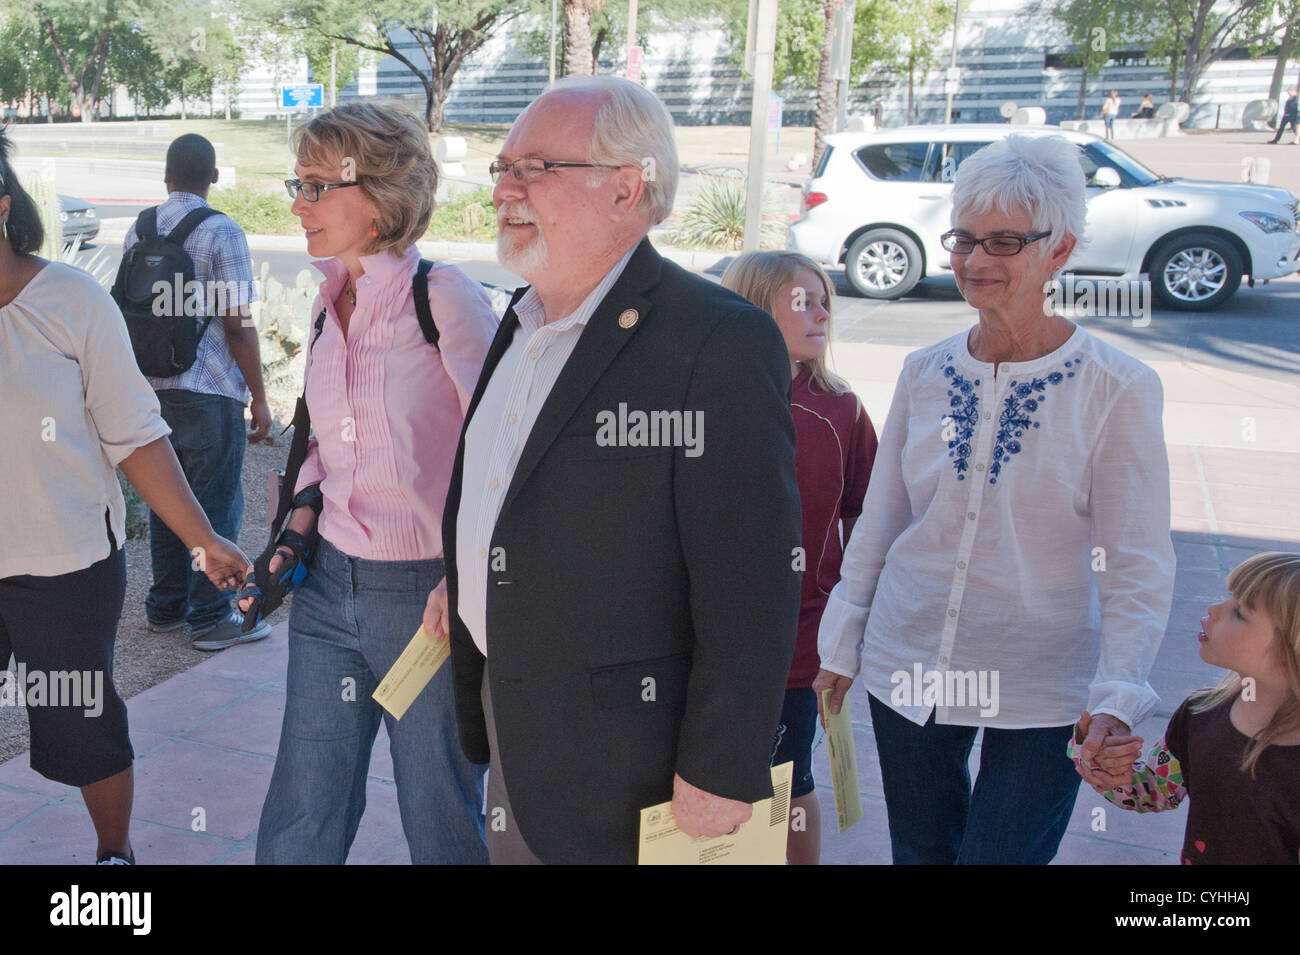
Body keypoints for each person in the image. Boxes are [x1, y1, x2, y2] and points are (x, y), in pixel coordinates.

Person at [434, 75, 802, 865]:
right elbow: (513, 490)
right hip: (519, 720)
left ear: (626, 187)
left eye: (535, 167)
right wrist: (465, 575)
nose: (504, 187)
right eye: (503, 166)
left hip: (634, 766)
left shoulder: (716, 342)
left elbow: (753, 580)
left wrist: (721, 767)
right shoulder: (524, 315)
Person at [814, 133, 1176, 865]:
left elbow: (1137, 563)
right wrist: (842, 641)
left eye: (1004, 241)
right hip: (906, 658)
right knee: (920, 852)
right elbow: (882, 518)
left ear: (1060, 249)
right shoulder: (924, 371)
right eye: (964, 239)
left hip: (1043, 682)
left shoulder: (1117, 388)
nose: (975, 261)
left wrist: (1118, 692)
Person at [241, 103, 497, 865]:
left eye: (317, 185)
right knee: (300, 814)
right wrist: (293, 533)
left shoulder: (443, 298)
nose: (297, 203)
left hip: (426, 601)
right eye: (299, 182)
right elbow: (325, 445)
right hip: (327, 594)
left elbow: (505, 451)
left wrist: (465, 573)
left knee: (439, 817)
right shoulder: (327, 303)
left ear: (381, 196)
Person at [0, 124, 251, 865]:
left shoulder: (71, 301)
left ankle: (115, 857)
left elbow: (136, 435)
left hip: (64, 566)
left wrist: (206, 538)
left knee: (80, 722)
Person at [721, 251, 877, 865]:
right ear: (755, 308)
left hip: (801, 635)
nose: (820, 315)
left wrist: (852, 619)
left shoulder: (841, 408)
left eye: (824, 302)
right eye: (801, 302)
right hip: (706, 635)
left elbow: (870, 517)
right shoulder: (702, 398)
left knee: (789, 776)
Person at [122, 134, 272, 651]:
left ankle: (166, 608)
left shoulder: (139, 229)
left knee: (170, 500)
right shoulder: (222, 231)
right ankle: (211, 618)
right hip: (208, 389)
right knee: (215, 504)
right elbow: (238, 322)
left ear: (166, 177)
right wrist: (260, 395)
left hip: (148, 389)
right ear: (212, 178)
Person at [1070, 552, 1300, 864]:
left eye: (1241, 613)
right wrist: (1109, 764)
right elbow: (1155, 789)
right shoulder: (1201, 713)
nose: (1215, 609)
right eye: (1228, 598)